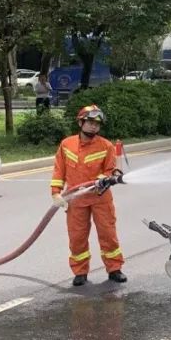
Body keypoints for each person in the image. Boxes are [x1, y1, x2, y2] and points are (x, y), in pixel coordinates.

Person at [50, 104, 126, 286]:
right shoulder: (66, 145)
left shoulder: (106, 146)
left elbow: (110, 170)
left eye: (97, 124)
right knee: (77, 237)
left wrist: (103, 179)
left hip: (100, 198)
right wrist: (56, 193)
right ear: (81, 122)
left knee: (108, 234)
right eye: (90, 122)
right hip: (76, 199)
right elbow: (59, 170)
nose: (94, 126)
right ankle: (80, 272)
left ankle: (114, 269)